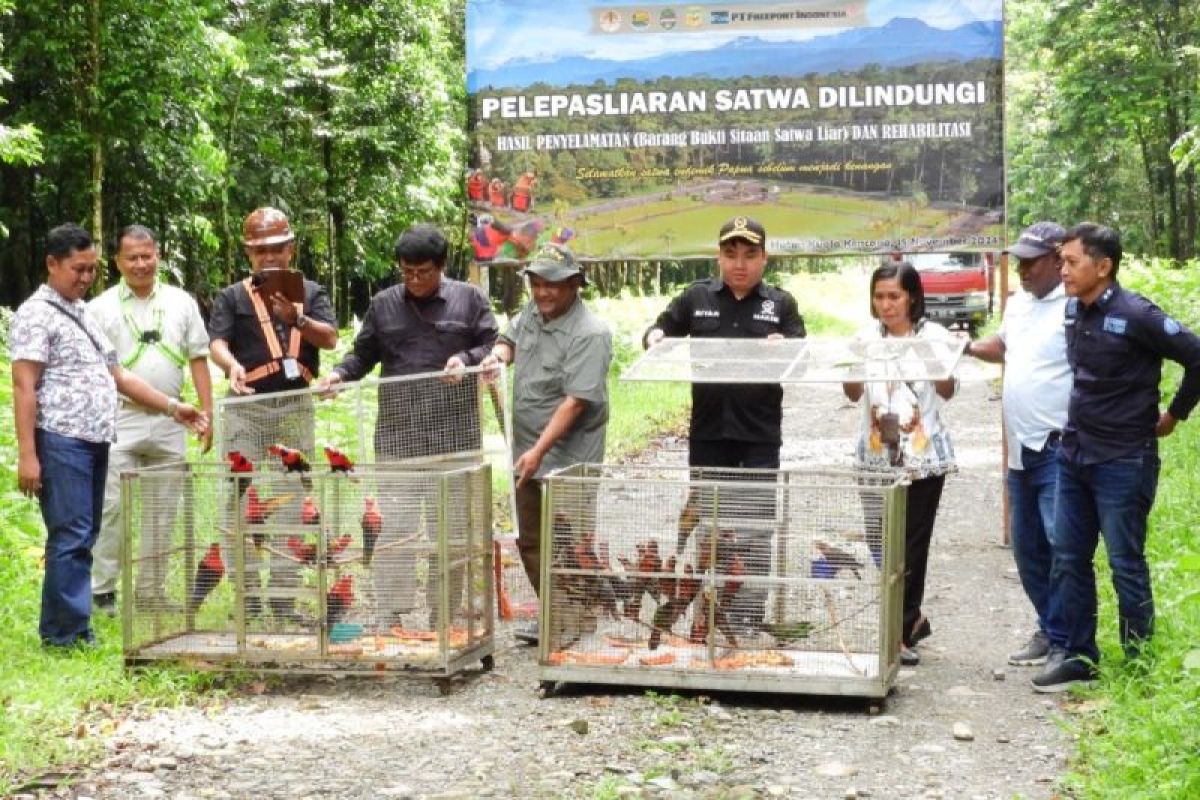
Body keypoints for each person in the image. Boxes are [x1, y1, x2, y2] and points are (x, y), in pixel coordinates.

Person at [10, 223, 207, 648]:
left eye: (90, 270)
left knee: (85, 534)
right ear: (52, 264)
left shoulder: (81, 312)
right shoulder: (35, 314)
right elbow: (24, 386)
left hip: (96, 439)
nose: (84, 278)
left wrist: (175, 408)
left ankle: (74, 626)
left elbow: (118, 375)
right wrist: (28, 454)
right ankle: (64, 634)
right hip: (62, 440)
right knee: (72, 535)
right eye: (77, 269)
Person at [1032, 223, 1200, 692]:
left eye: (1071, 262)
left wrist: (1176, 414)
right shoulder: (1072, 311)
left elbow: (1197, 355)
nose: (1062, 270)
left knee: (1126, 562)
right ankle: (1080, 655)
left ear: (1103, 267)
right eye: (1061, 261)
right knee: (1068, 557)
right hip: (1076, 456)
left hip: (1124, 460)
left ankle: (1140, 663)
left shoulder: (1137, 314)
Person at [317, 224, 498, 625]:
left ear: (442, 266)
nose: (415, 280)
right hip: (398, 438)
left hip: (454, 439)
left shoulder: (469, 300)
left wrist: (466, 360)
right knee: (394, 531)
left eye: (424, 272)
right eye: (407, 272)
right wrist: (338, 376)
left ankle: (443, 617)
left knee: (449, 535)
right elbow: (361, 356)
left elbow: (492, 345)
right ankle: (391, 615)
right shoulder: (383, 305)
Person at [643, 216, 805, 634]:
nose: (740, 264)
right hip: (709, 435)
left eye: (750, 255)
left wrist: (785, 349)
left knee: (753, 530)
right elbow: (659, 329)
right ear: (719, 257)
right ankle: (710, 621)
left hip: (758, 438)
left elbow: (803, 357)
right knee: (710, 526)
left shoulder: (780, 304)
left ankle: (747, 617)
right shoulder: (696, 297)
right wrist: (654, 339)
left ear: (764, 259)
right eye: (731, 254)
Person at [207, 207, 338, 621]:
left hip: (294, 407)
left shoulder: (311, 292)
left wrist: (296, 317)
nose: (269, 257)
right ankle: (247, 598)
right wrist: (230, 366)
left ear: (290, 248)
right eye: (260, 250)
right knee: (239, 497)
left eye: (277, 249)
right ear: (249, 253)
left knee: (292, 499)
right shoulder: (232, 296)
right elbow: (217, 342)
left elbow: (330, 339)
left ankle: (283, 598)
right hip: (246, 408)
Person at [481, 244, 612, 643]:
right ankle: (555, 615)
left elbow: (575, 403)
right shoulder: (531, 316)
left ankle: (579, 624)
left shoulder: (591, 333)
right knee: (531, 539)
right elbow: (510, 338)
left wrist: (538, 452)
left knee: (569, 543)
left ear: (574, 284)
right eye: (536, 284)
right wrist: (497, 358)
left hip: (567, 458)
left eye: (552, 285)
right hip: (526, 454)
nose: (543, 293)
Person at [86, 225, 215, 615]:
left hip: (173, 420)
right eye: (132, 258)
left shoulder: (181, 302)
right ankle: (102, 590)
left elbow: (198, 358)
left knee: (163, 510)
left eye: (147, 256)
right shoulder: (100, 308)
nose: (141, 264)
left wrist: (208, 414)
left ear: (158, 255)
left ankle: (150, 591)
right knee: (112, 508)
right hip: (119, 418)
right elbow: (93, 371)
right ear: (117, 262)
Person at [965, 222, 1070, 667]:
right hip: (1020, 449)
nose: (1024, 270)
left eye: (1032, 261)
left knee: (1061, 544)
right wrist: (965, 346)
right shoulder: (1019, 305)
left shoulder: (1075, 306)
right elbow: (1003, 347)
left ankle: (1070, 641)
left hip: (1058, 446)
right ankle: (1049, 629)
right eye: (1020, 262)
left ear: (1058, 258)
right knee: (1028, 548)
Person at [842, 260, 956, 666]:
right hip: (874, 456)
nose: (886, 305)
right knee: (881, 543)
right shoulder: (864, 337)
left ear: (912, 297)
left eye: (894, 296)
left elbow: (948, 389)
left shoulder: (935, 336)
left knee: (911, 544)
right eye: (879, 297)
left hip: (922, 458)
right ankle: (908, 620)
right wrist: (856, 360)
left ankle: (901, 631)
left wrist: (927, 357)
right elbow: (853, 392)